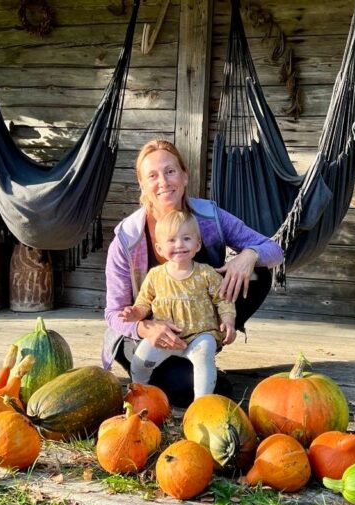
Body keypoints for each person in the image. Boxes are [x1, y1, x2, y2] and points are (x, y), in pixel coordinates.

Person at [102, 139, 284, 406]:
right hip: (145, 334)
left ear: (185, 176)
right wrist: (143, 326)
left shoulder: (209, 217)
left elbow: (274, 249)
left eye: (170, 171)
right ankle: (168, 369)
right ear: (142, 185)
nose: (163, 181)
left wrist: (249, 255)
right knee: (207, 388)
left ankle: (209, 339)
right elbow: (113, 313)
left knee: (257, 275)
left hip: (196, 322)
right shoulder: (127, 239)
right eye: (152, 176)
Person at [119, 211, 236, 400]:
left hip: (200, 335)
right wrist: (135, 313)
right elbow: (144, 303)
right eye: (171, 240)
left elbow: (223, 300)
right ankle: (139, 393)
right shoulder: (155, 276)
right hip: (167, 337)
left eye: (187, 238)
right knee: (140, 360)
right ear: (159, 248)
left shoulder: (206, 274)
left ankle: (201, 403)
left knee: (204, 356)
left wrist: (228, 321)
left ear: (197, 244)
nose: (180, 245)